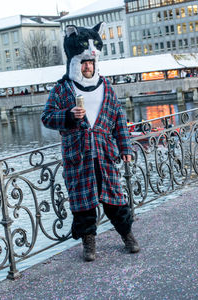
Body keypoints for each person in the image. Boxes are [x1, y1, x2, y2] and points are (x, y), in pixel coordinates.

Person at [41, 23, 140, 262]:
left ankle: (127, 236)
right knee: (83, 204)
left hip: (105, 154)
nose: (88, 67)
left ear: (95, 64)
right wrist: (67, 116)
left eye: (91, 63)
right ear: (76, 63)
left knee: (115, 199)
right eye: (84, 63)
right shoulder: (62, 89)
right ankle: (89, 244)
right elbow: (46, 117)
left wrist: (125, 147)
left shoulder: (106, 87)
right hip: (78, 157)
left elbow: (118, 119)